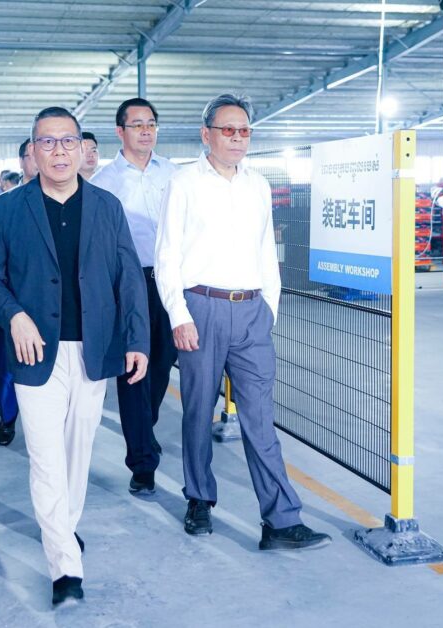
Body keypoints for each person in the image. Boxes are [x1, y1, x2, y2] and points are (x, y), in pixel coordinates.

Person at [0, 106, 149, 605]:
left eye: (67, 141)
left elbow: (128, 279)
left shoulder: (107, 206)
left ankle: (63, 532)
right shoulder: (8, 209)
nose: (58, 151)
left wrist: (137, 340)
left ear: (81, 148)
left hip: (93, 349)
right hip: (35, 353)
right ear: (33, 151)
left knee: (77, 455)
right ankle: (65, 569)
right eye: (47, 142)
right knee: (47, 460)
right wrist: (15, 316)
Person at [155, 93, 331, 550]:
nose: (237, 138)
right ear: (206, 134)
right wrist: (179, 315)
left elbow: (265, 250)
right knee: (198, 411)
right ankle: (199, 499)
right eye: (228, 129)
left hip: (252, 311)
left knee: (260, 418)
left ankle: (281, 520)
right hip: (201, 308)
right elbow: (167, 254)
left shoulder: (257, 185)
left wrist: (269, 307)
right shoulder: (183, 183)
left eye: (244, 130)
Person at [91, 98, 177, 495]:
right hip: (127, 283)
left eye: (151, 123)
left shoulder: (175, 176)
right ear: (120, 131)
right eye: (137, 124)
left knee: (161, 364)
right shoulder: (103, 183)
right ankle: (142, 462)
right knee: (133, 371)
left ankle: (145, 430)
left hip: (170, 281)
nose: (146, 130)